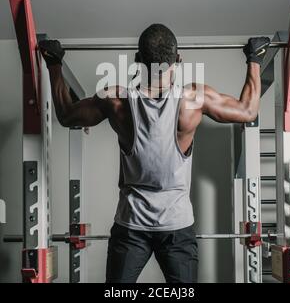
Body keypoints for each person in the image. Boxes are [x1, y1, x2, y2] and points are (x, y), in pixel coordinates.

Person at [39, 24, 270, 283]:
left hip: (130, 227)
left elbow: (67, 115)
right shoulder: (194, 98)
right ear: (178, 59)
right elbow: (248, 111)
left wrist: (54, 63)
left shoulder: (115, 99)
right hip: (176, 228)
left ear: (138, 60)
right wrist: (255, 59)